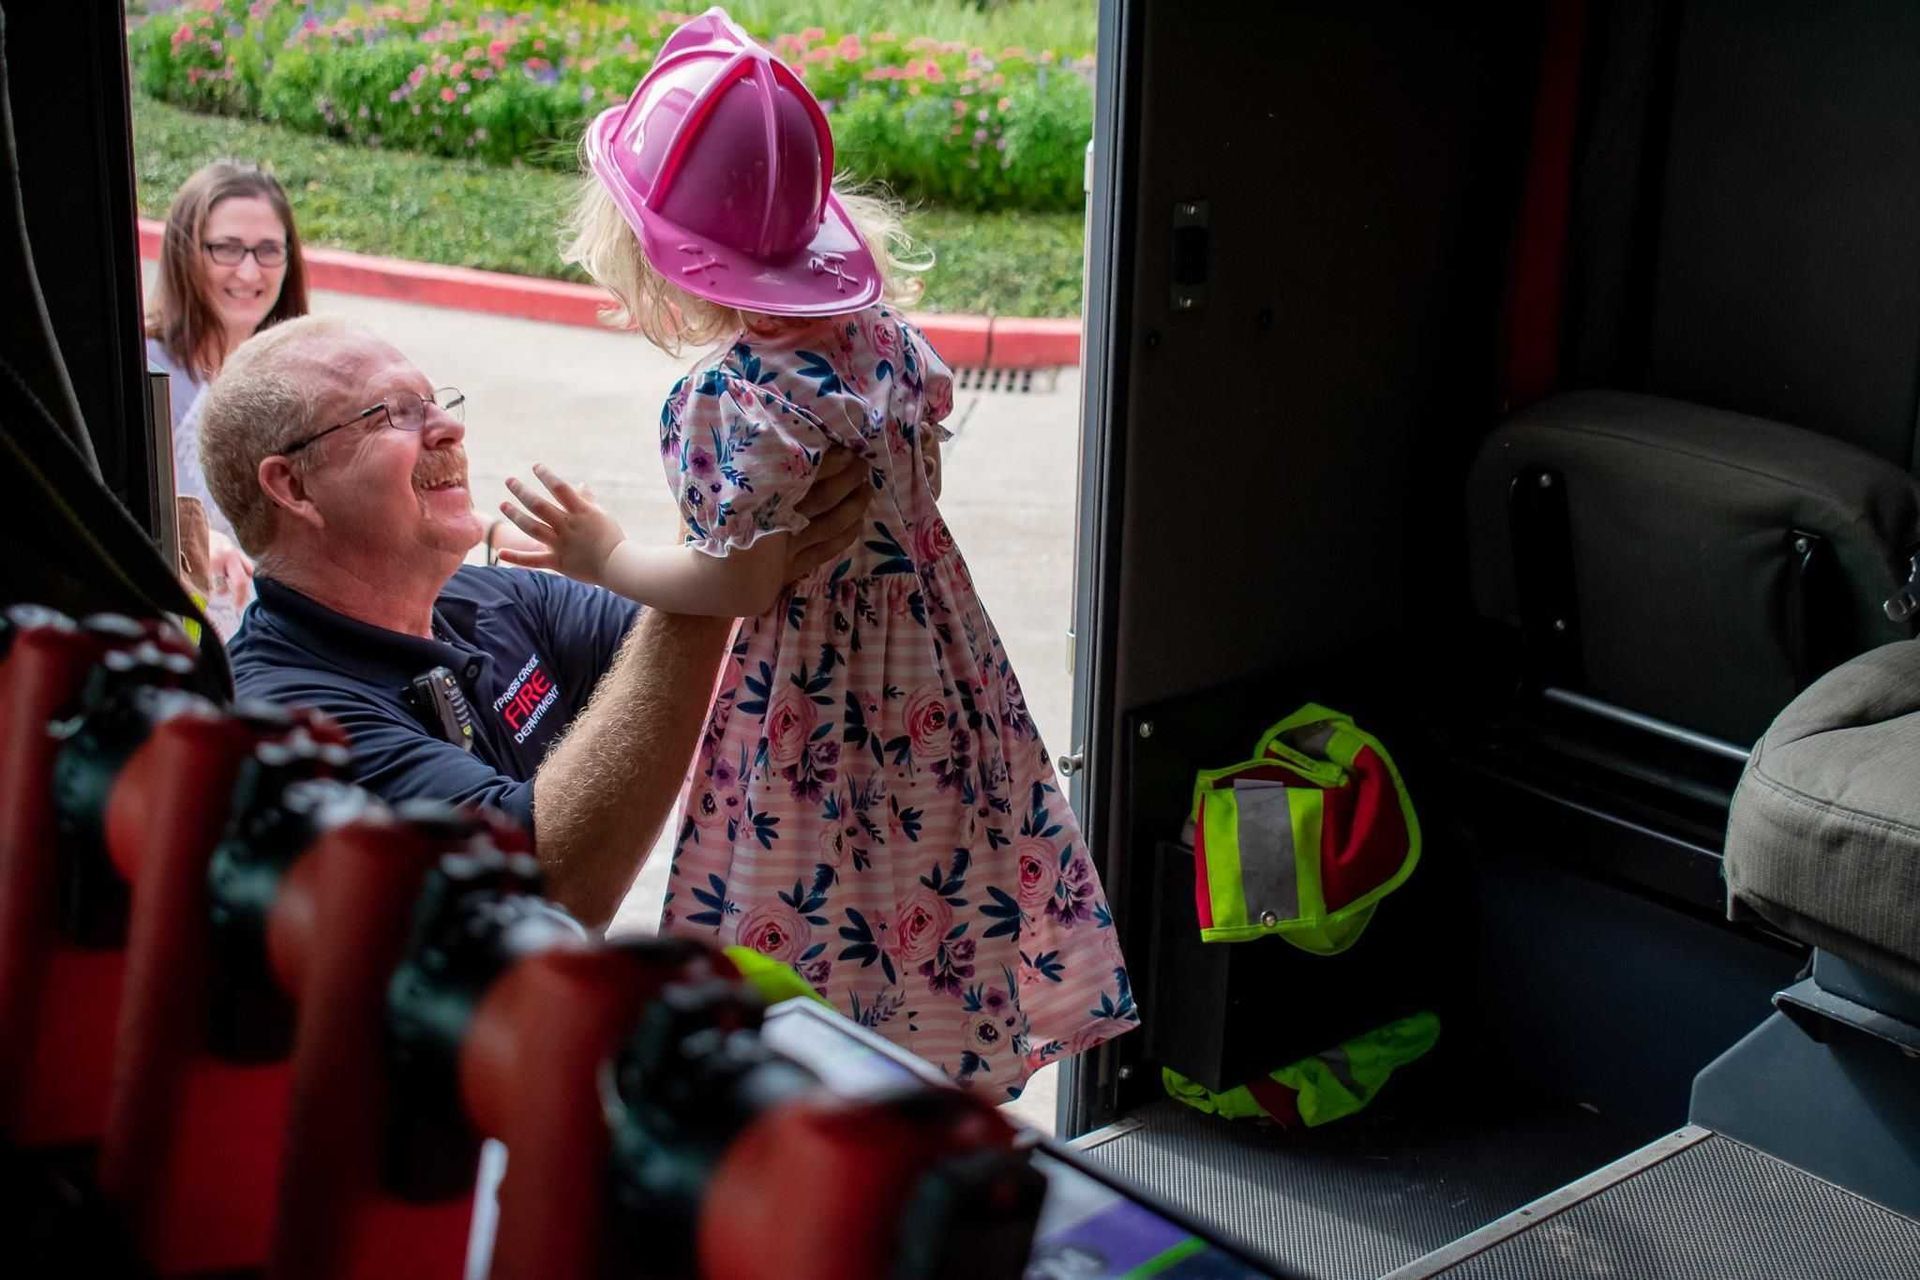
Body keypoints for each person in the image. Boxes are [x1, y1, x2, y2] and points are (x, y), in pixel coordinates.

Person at [495, 8, 1137, 1101]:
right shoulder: (886, 344)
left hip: (815, 713)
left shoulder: (731, 399)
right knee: (926, 890)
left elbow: (742, 581)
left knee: (816, 922)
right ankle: (934, 1096)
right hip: (939, 688)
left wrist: (601, 554)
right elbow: (920, 496)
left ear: (669, 267)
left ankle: (819, 1130)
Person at [193, 313, 871, 929]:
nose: (448, 427)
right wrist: (718, 555)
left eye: (435, 401)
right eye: (393, 413)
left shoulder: (487, 600)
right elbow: (551, 889)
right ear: (293, 487)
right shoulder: (286, 724)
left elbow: (706, 670)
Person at [146, 159, 309, 620]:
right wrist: (193, 538)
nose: (249, 272)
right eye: (227, 249)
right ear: (185, 253)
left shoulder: (302, 370)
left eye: (268, 250)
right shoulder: (146, 368)